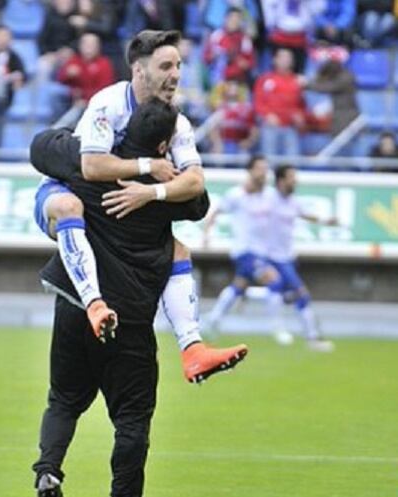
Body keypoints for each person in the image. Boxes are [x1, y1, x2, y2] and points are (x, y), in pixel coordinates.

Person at [33, 29, 248, 386]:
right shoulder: (109, 103)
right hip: (64, 191)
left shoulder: (176, 122)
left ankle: (193, 349)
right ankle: (93, 303)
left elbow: (195, 183)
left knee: (177, 250)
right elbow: (91, 167)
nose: (176, 74)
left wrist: (152, 193)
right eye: (166, 65)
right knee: (71, 207)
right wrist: (149, 168)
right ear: (139, 70)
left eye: (178, 65)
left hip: (116, 203)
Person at [31, 96, 212, 497]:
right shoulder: (169, 190)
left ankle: (48, 471)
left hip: (78, 307)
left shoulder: (89, 171)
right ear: (166, 146)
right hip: (129, 316)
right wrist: (159, 185)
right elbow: (199, 202)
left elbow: (42, 148)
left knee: (62, 399)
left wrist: (77, 142)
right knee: (132, 420)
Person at [202, 155, 288, 343]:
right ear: (250, 171)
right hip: (245, 250)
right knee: (274, 280)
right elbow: (217, 211)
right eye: (259, 168)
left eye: (266, 169)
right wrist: (207, 234)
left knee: (239, 286)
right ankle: (278, 328)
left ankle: (213, 320)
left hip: (262, 251)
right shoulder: (237, 194)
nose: (263, 172)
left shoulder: (269, 195)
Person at [266, 164, 336, 352]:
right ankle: (310, 338)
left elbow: (305, 215)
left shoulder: (293, 202)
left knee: (284, 294)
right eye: (291, 176)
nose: (295, 180)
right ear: (281, 180)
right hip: (271, 257)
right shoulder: (268, 199)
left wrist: (325, 221)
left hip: (287, 258)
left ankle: (285, 330)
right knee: (300, 294)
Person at [53, 32, 115, 129]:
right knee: (56, 92)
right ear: (80, 46)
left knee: (80, 108)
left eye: (92, 45)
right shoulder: (75, 60)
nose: (89, 48)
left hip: (93, 102)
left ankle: (57, 129)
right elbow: (60, 80)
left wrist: (84, 97)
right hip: (71, 100)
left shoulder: (104, 64)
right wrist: (67, 74)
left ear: (98, 47)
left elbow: (104, 90)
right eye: (86, 44)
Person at [253, 48, 305, 157]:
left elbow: (301, 104)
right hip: (270, 126)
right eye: (282, 57)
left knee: (292, 160)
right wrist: (267, 115)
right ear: (274, 60)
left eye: (288, 58)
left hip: (290, 127)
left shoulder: (297, 81)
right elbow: (258, 102)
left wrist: (299, 115)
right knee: (269, 159)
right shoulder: (265, 79)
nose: (286, 60)